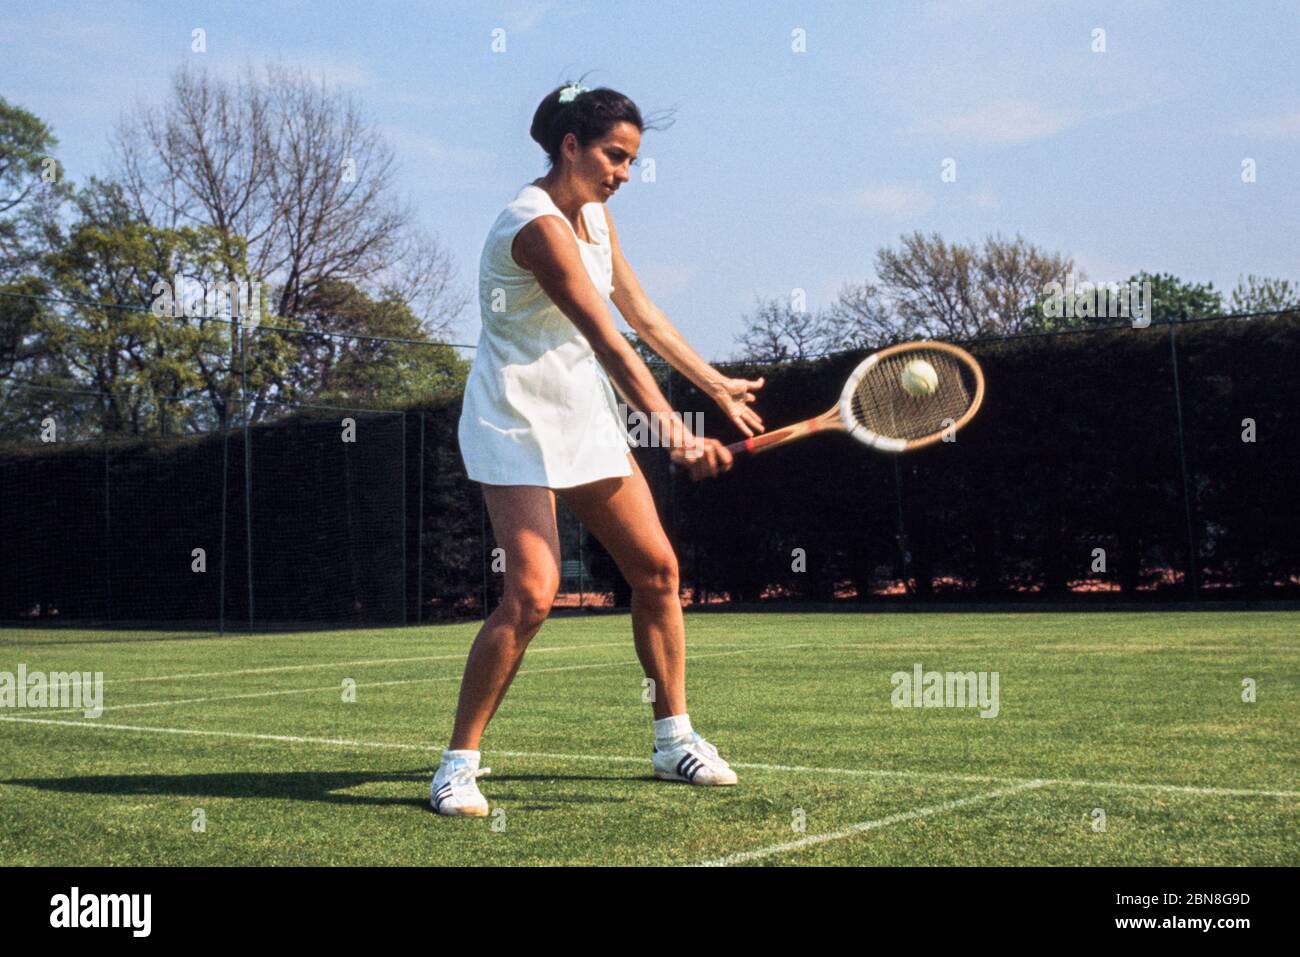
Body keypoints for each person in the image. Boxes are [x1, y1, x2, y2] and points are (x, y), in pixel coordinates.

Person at [431, 79, 766, 817]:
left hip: (583, 418)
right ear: (571, 145)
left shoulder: (595, 223)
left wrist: (713, 386)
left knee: (656, 570)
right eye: (614, 156)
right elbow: (607, 340)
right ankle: (456, 765)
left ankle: (673, 739)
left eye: (632, 162)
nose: (623, 173)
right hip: (514, 418)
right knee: (533, 591)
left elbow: (641, 313)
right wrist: (674, 431)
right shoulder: (537, 227)